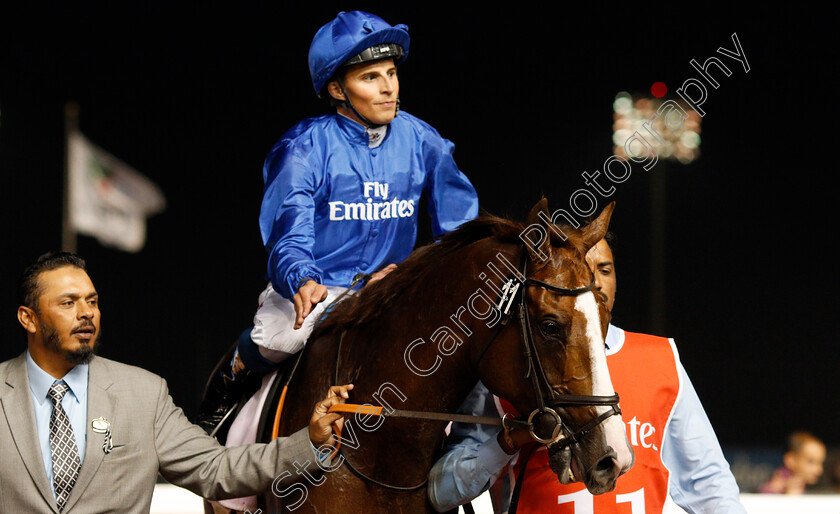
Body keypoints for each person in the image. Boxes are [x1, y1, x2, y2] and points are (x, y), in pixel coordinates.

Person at [199, 10, 478, 432]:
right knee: (281, 339)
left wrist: (424, 276)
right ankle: (227, 385)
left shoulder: (424, 140)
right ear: (337, 89)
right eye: (370, 78)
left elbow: (459, 230)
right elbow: (287, 233)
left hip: (392, 287)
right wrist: (303, 280)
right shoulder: (302, 148)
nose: (389, 88)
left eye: (391, 73)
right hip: (319, 288)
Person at [1, 251, 352, 513]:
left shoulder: (143, 394)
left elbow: (218, 469)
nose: (86, 313)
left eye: (92, 301)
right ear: (28, 318)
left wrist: (310, 442)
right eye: (68, 302)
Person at [427, 234, 747, 513]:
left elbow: (708, 483)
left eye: (604, 269)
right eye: (578, 271)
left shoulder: (662, 359)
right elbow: (441, 493)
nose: (592, 281)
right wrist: (511, 441)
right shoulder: (505, 372)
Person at [759, 430, 826, 494]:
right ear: (791, 460)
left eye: (820, 463)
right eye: (811, 462)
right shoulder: (778, 483)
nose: (819, 470)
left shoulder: (801, 484)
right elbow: (761, 500)